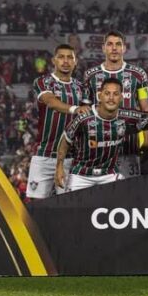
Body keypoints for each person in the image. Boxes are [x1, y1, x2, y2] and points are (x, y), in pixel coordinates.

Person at [54, 78, 144, 192]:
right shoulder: (84, 118)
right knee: (73, 204)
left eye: (115, 94)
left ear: (121, 97)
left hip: (109, 174)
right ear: (99, 96)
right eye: (107, 93)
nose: (111, 98)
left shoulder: (127, 116)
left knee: (123, 199)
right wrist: (59, 167)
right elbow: (65, 140)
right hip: (81, 175)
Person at [83, 31, 148, 179]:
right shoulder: (90, 75)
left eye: (118, 44)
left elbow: (145, 110)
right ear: (103, 48)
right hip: (99, 151)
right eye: (110, 44)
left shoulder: (138, 74)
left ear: (124, 48)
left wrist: (147, 144)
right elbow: (85, 112)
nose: (114, 48)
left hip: (129, 149)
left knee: (129, 192)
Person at [27, 44, 90, 199]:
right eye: (61, 57)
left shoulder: (82, 88)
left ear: (75, 62)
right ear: (54, 60)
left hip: (71, 158)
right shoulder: (43, 82)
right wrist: (75, 109)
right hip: (44, 155)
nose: (65, 61)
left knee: (69, 206)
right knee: (36, 205)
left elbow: (88, 117)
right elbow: (51, 102)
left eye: (70, 57)